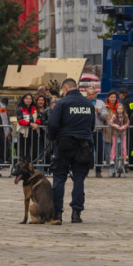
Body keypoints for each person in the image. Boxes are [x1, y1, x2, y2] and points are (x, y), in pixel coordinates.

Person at [47, 78, 95, 224]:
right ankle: (76, 213)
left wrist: (54, 139)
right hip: (84, 146)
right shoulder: (88, 104)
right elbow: (91, 125)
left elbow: (52, 124)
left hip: (65, 144)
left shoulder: (62, 103)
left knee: (59, 178)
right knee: (79, 178)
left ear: (65, 88)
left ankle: (58, 214)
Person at [107, 102, 129, 176]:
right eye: (118, 109)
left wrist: (123, 127)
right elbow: (110, 123)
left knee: (124, 147)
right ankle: (112, 159)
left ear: (123, 109)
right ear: (116, 109)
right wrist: (116, 126)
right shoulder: (114, 116)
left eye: (121, 109)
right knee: (114, 146)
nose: (120, 110)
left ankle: (125, 159)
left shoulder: (125, 116)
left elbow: (127, 123)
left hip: (123, 134)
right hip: (115, 134)